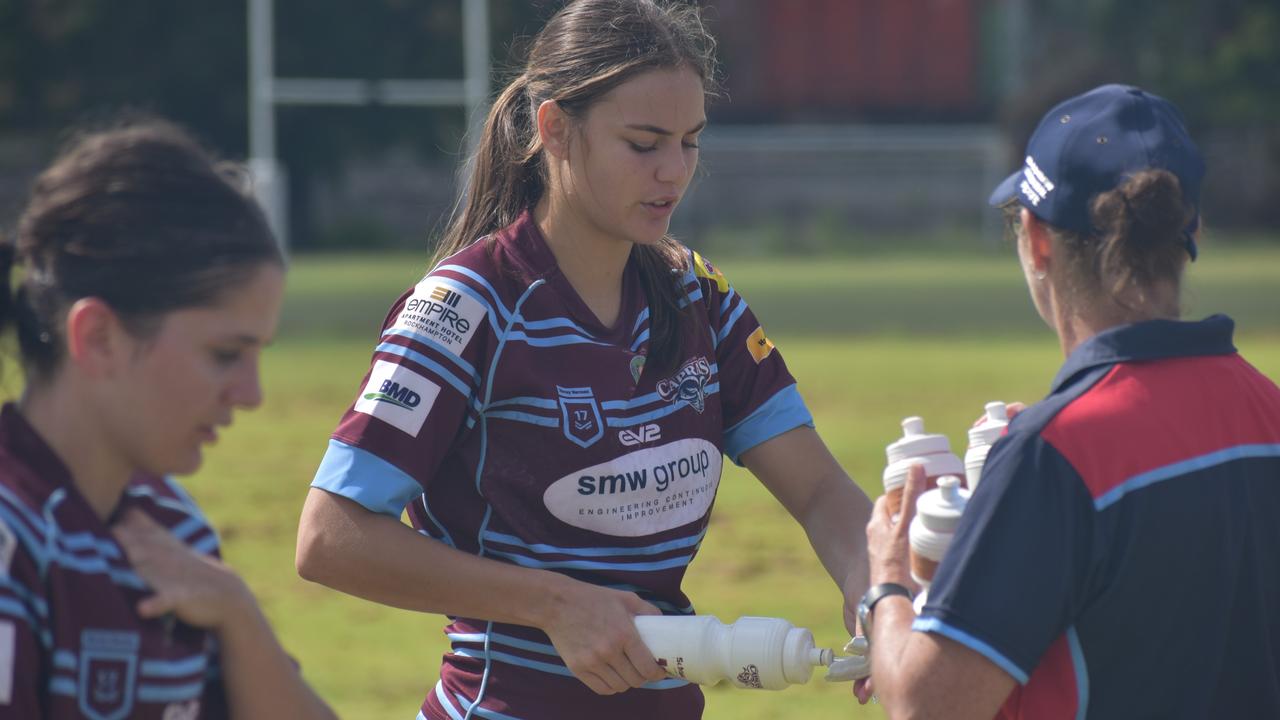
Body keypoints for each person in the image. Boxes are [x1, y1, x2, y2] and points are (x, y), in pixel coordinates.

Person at [294, 0, 874, 717]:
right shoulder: (465, 306)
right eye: (644, 143)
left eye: (690, 142)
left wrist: (877, 592)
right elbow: (330, 537)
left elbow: (822, 493)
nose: (674, 172)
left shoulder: (700, 295)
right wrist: (556, 605)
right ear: (556, 131)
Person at [857, 84, 1280, 718]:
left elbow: (925, 704)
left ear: (1038, 237)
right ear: (1189, 227)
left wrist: (887, 583)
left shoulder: (1053, 456)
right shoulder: (1266, 411)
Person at [0, 120, 336, 719]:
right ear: (99, 337)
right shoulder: (14, 542)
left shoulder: (174, 534)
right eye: (225, 355)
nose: (252, 394)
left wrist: (238, 617)